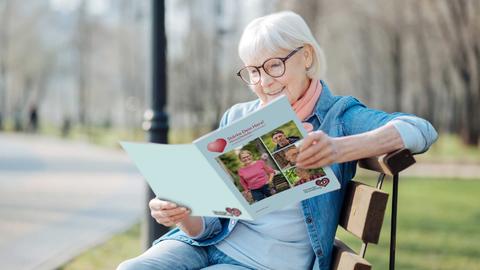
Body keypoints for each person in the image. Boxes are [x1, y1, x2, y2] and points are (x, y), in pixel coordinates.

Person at [118, 11, 438, 270]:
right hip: (205, 245)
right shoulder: (237, 117)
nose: (264, 81)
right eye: (254, 71)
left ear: (307, 56)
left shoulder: (338, 116)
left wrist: (339, 148)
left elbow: (420, 129)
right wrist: (183, 215)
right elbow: (211, 226)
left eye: (274, 65)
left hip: (264, 263)